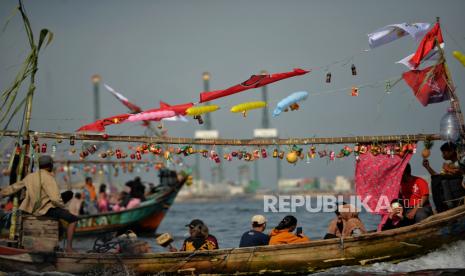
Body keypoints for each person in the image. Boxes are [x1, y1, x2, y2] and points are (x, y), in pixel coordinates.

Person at [0, 155, 78, 252]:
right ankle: (69, 248)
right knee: (73, 219)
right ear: (50, 166)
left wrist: (2, 193)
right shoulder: (49, 178)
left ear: (40, 166)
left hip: (31, 210)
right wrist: (63, 207)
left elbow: (14, 187)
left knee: (65, 199)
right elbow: (55, 199)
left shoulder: (30, 177)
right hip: (46, 210)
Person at [423, 142, 465, 212]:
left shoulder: (460, 162)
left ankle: (449, 204)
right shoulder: (449, 164)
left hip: (458, 194)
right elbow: (438, 176)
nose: (443, 155)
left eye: (444, 153)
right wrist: (428, 167)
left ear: (451, 151)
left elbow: (460, 173)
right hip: (448, 194)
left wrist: (448, 169)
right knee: (437, 179)